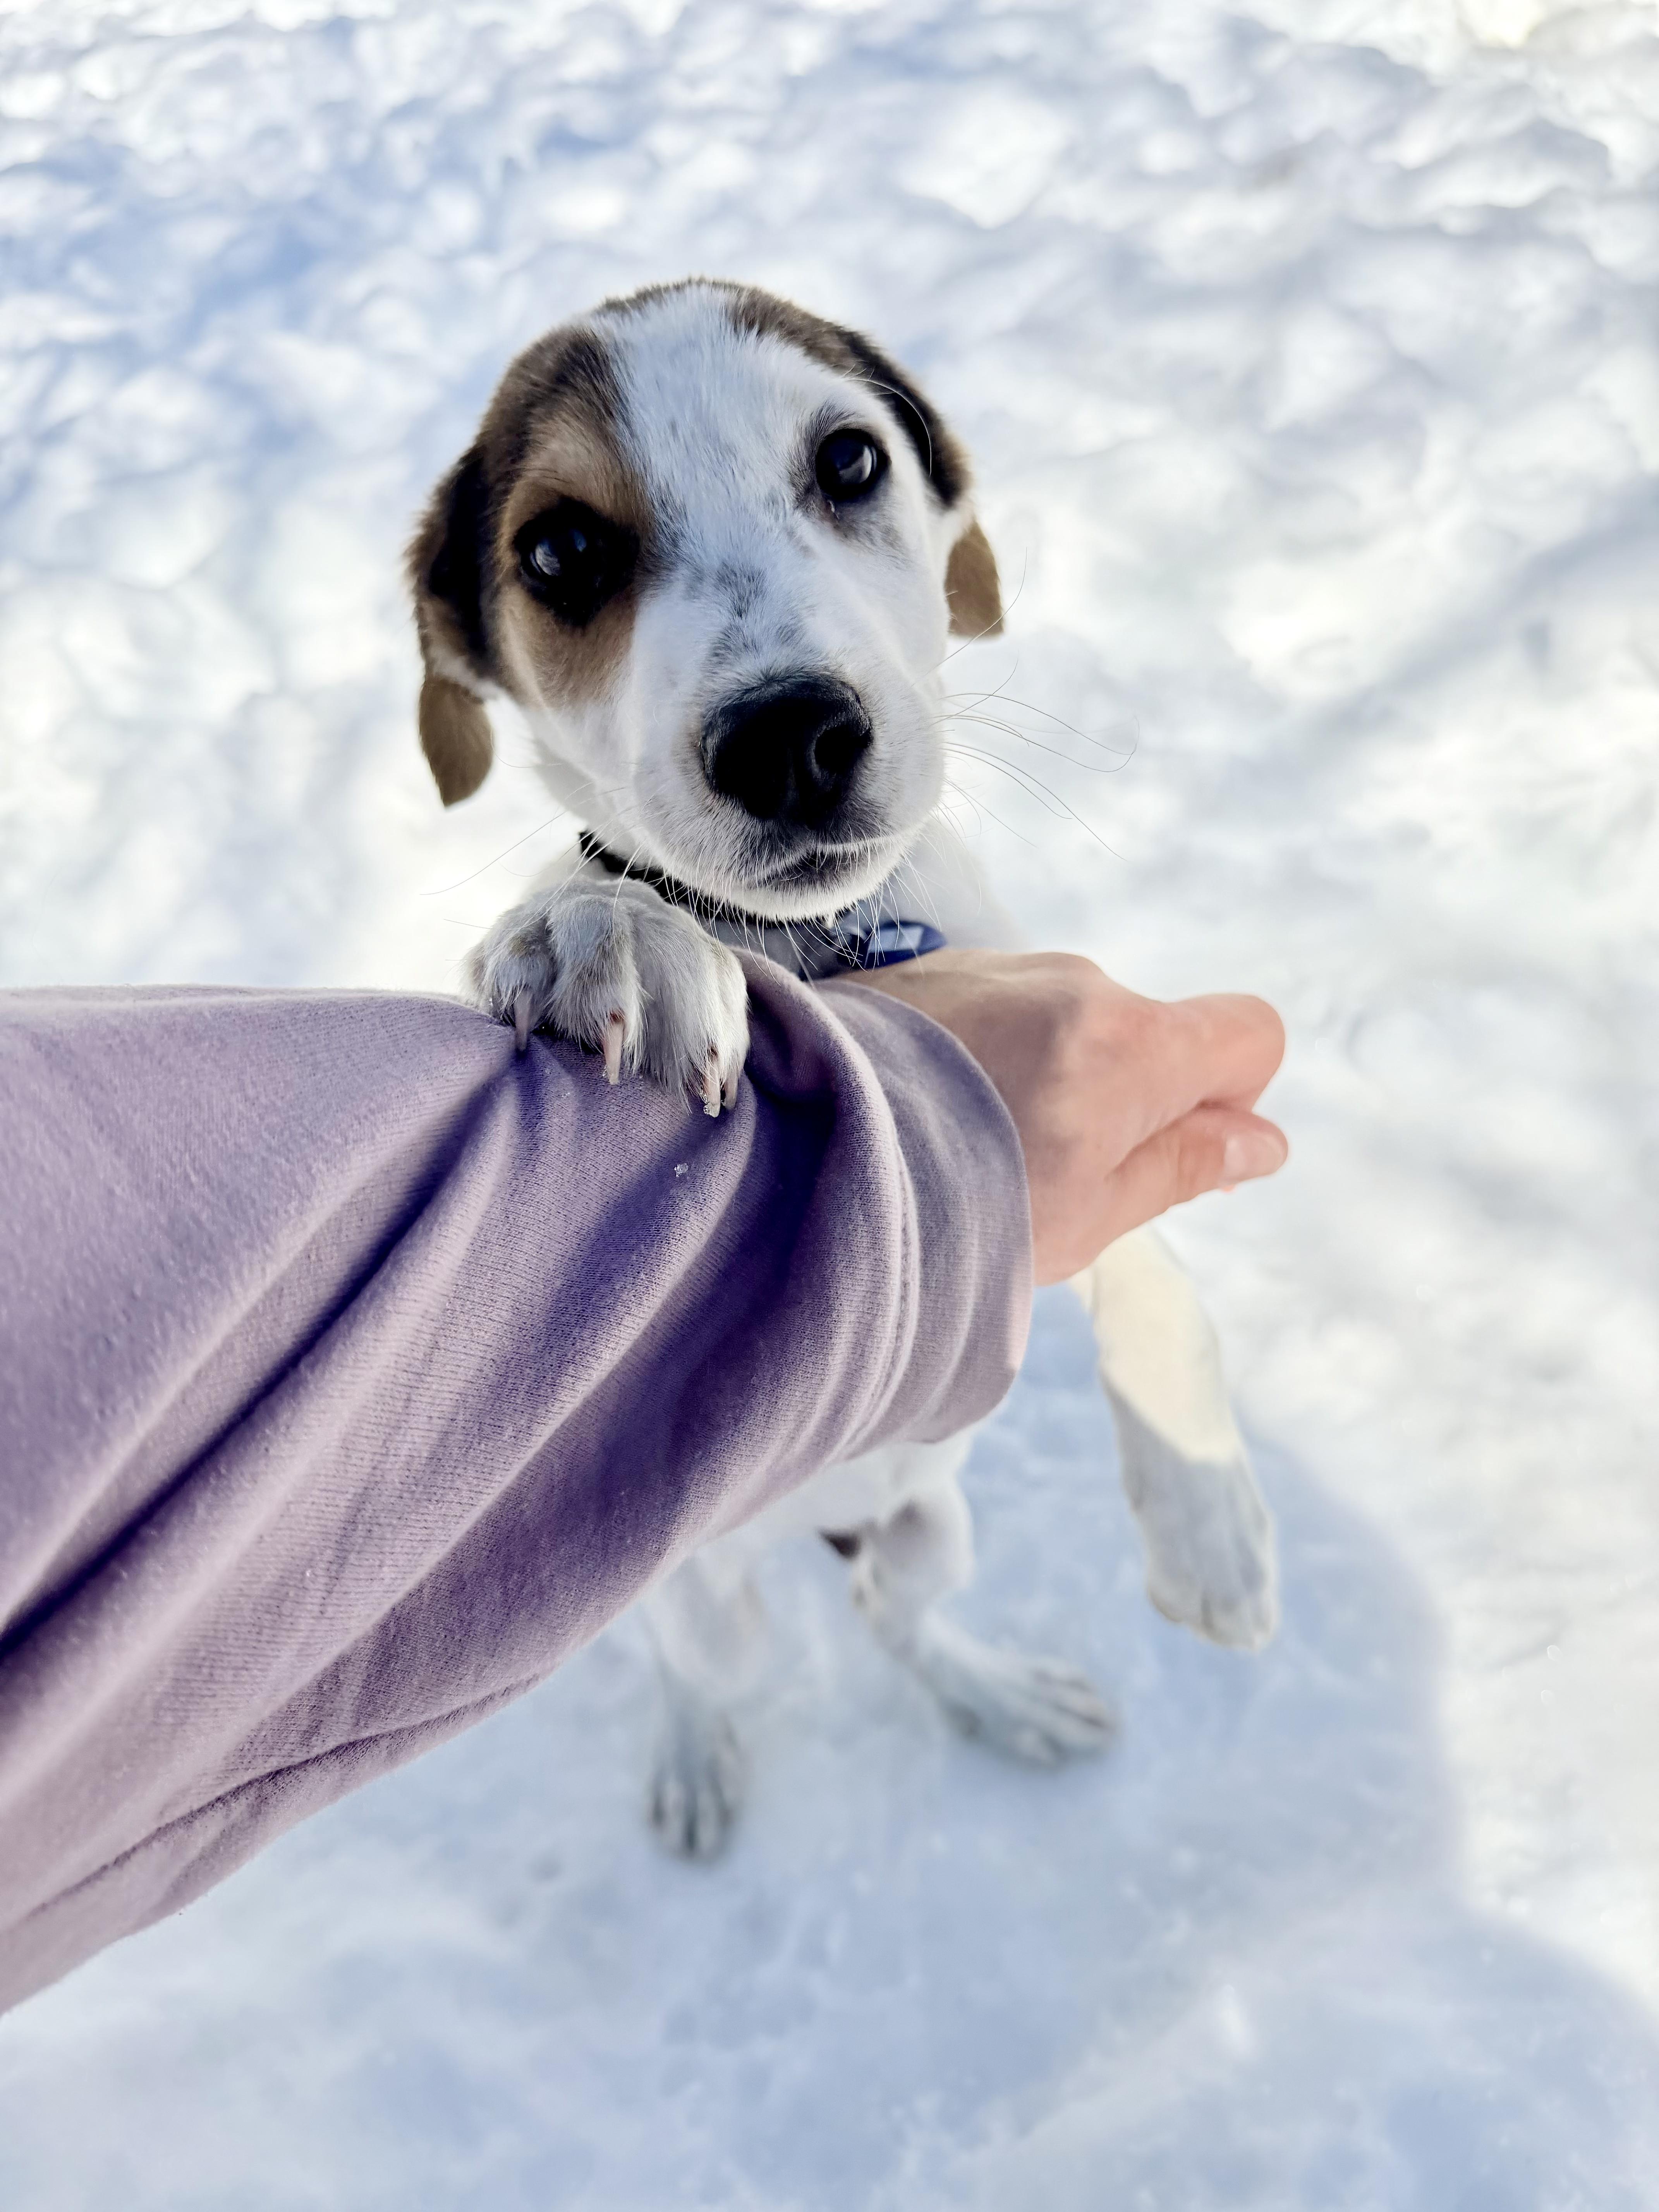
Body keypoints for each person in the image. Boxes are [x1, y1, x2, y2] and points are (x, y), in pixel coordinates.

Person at [0, 948, 1285, 2013]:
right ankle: (693, 1706)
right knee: (711, 1644)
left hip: (894, 1440)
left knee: (925, 1571)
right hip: (711, 1488)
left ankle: (932, 1654)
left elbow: (1085, 1147)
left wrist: (1172, 1402)